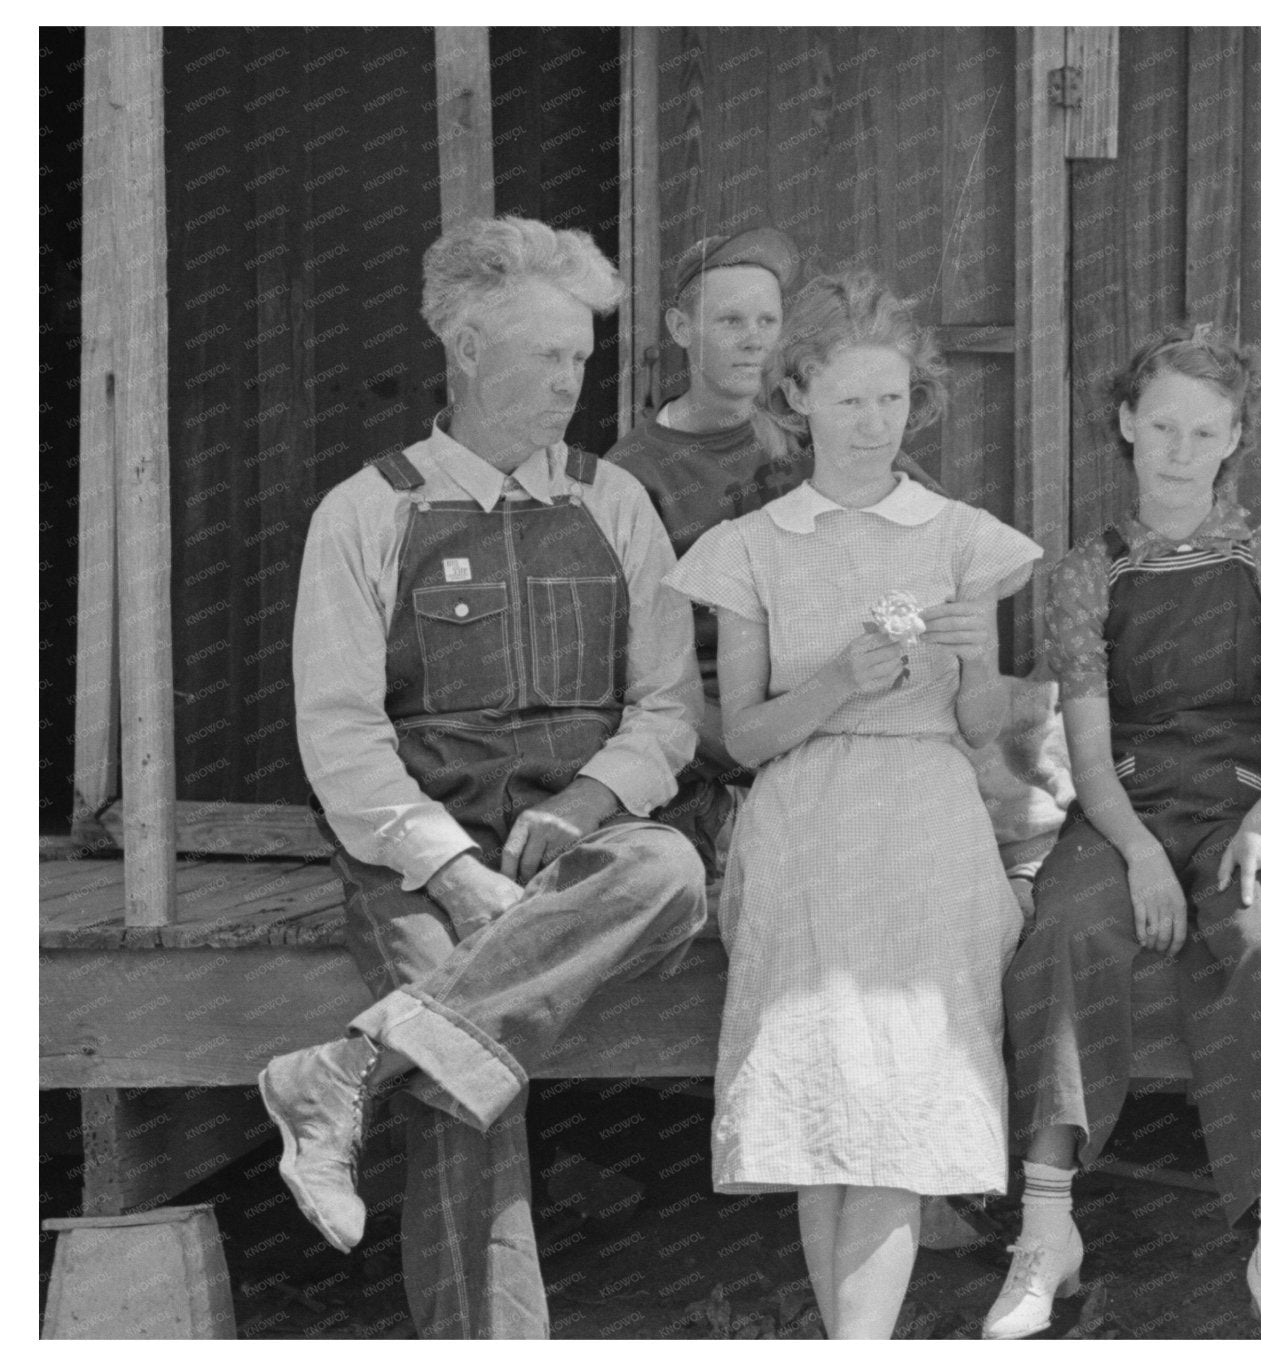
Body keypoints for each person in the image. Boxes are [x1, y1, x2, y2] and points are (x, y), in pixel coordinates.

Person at [258, 217, 710, 1338]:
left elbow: (667, 710)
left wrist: (586, 801)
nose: (570, 380)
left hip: (580, 851)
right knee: (471, 1081)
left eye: (579, 358)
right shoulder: (367, 510)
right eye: (545, 354)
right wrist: (451, 871)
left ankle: (349, 1065)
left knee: (673, 872)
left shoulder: (615, 504)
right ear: (465, 347)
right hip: (416, 854)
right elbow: (342, 737)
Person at [666, 270, 1042, 1338]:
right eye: (846, 400)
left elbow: (979, 729)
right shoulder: (750, 547)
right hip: (801, 824)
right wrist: (837, 682)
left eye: (889, 399)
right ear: (796, 402)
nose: (871, 424)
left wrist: (973, 670)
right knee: (820, 1098)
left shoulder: (965, 538)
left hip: (926, 820)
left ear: (912, 401)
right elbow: (739, 734)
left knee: (898, 1101)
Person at [988, 326, 1261, 1340]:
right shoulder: (1087, 571)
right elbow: (1087, 755)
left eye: (1205, 430)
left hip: (1251, 801)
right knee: (1063, 932)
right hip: (1124, 807)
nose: (1181, 449)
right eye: (1164, 425)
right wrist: (1138, 851)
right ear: (1126, 423)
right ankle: (1046, 1227)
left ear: (1233, 441)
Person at [604, 228, 938, 872]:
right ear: (680, 327)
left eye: (768, 320)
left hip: (843, 683)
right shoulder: (631, 474)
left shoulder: (809, 429)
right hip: (713, 710)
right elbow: (640, 668)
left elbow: (932, 540)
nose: (754, 338)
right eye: (730, 320)